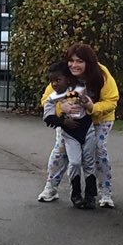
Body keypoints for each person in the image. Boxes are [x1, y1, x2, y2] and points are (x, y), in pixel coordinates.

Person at [36, 44, 121, 208]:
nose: (74, 65)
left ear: (88, 62)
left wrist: (92, 108)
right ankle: (51, 188)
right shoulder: (64, 74)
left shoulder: (101, 75)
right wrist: (62, 108)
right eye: (71, 61)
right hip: (71, 121)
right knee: (61, 150)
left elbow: (111, 101)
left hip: (99, 119)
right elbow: (48, 98)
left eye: (79, 61)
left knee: (99, 151)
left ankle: (105, 192)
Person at [43, 62, 96, 209]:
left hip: (87, 130)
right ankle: (76, 194)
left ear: (67, 79)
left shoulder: (79, 88)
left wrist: (85, 100)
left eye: (58, 80)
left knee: (89, 163)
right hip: (70, 133)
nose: (54, 84)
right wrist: (64, 121)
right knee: (75, 162)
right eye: (51, 81)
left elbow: (87, 101)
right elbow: (47, 117)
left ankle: (91, 196)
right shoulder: (52, 98)